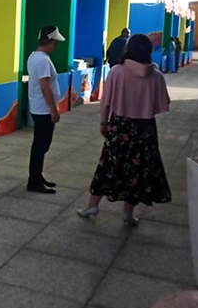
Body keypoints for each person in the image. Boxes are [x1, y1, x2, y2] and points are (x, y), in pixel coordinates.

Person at [77, 34, 172, 226]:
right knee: (138, 169)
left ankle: (93, 206)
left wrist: (103, 122)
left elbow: (105, 101)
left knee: (108, 165)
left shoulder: (116, 72)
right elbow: (164, 103)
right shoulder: (156, 76)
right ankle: (128, 213)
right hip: (145, 129)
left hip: (120, 126)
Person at [26, 26, 66, 194]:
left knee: (40, 145)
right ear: (50, 41)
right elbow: (45, 87)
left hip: (39, 107)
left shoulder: (34, 56)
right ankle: (34, 181)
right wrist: (53, 110)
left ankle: (37, 176)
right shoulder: (43, 60)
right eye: (55, 42)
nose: (56, 46)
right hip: (43, 110)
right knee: (41, 146)